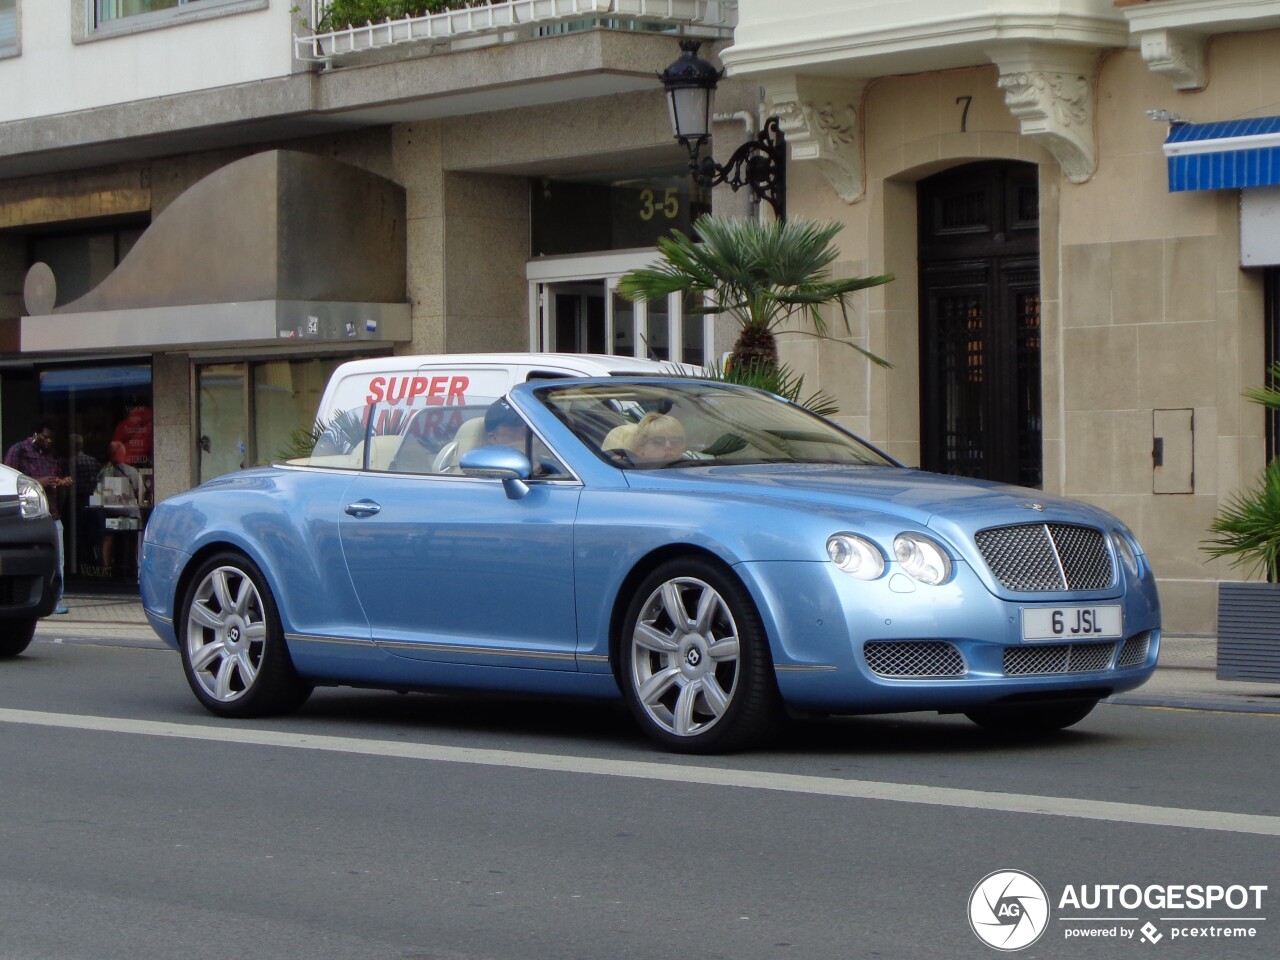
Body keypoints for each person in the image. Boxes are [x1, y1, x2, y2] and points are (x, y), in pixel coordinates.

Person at [5, 420, 71, 613]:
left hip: (52, 512)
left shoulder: (50, 456)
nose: (49, 441)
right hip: (29, 516)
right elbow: (11, 480)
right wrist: (39, 482)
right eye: (45, 437)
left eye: (52, 438)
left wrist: (61, 482)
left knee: (59, 559)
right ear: (35, 434)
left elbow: (55, 478)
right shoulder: (18, 451)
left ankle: (57, 598)